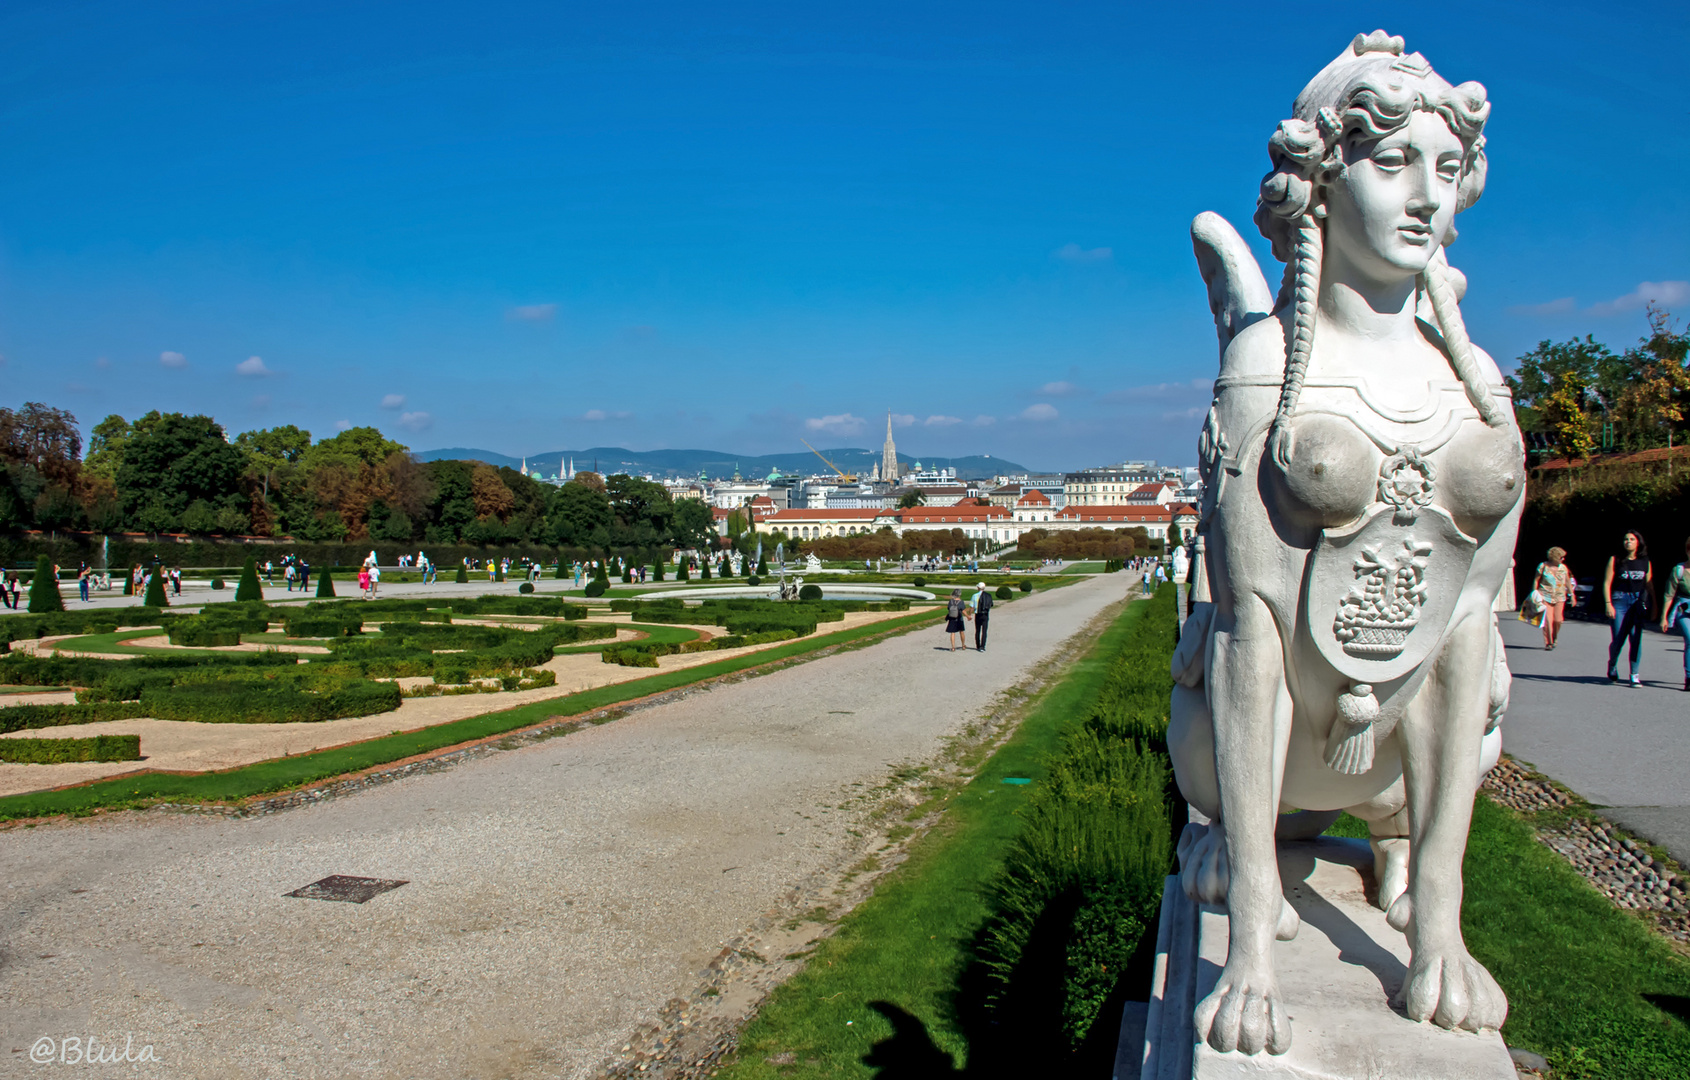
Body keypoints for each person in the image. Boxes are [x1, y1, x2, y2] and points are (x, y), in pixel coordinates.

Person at [1604, 529, 1653, 687]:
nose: (1628, 542)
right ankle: (1612, 664)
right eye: (1626, 539)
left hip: (1637, 601)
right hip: (1619, 600)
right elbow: (1606, 583)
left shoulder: (1645, 562)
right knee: (1618, 638)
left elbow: (1649, 585)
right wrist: (1608, 603)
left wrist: (1655, 607)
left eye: (1632, 539)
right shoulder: (1616, 559)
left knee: (1635, 638)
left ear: (1638, 542)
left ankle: (1634, 674)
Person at [1661, 535, 1690, 692]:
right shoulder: (1679, 570)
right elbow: (1669, 595)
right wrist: (1664, 617)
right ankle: (1689, 677)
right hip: (1684, 609)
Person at [1534, 547, 1572, 650]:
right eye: (1561, 557)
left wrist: (1572, 595)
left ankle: (1554, 638)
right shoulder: (1543, 566)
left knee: (1558, 620)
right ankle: (1548, 643)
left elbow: (1568, 581)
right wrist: (1535, 593)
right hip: (1545, 596)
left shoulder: (1563, 568)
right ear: (1555, 557)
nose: (1563, 559)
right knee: (1548, 620)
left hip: (1559, 597)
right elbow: (1536, 580)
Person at [971, 581, 993, 652]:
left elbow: (972, 607)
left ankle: (978, 645)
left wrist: (969, 614)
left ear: (978, 588)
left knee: (977, 630)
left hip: (978, 614)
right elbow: (991, 604)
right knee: (984, 631)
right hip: (985, 614)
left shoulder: (974, 596)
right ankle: (982, 646)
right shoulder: (988, 595)